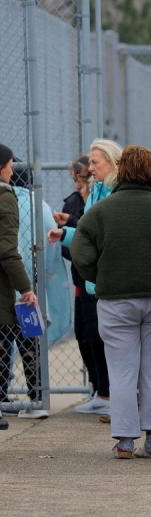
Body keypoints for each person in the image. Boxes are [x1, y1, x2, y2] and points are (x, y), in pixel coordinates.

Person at [71, 146, 151, 458]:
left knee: (122, 370)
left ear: (121, 172)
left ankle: (125, 439)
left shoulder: (101, 211)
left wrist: (102, 275)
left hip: (115, 299)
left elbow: (80, 254)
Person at [51, 138, 123, 418]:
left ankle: (117, 397)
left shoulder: (116, 193)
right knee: (94, 336)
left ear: (112, 162)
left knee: (112, 343)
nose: (90, 167)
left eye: (95, 162)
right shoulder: (97, 192)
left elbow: (106, 237)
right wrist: (65, 233)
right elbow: (87, 233)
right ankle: (105, 393)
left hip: (112, 281)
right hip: (94, 281)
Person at [0, 144, 39, 430]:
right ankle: (36, 396)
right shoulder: (6, 197)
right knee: (20, 339)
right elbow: (7, 250)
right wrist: (25, 287)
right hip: (7, 284)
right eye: (10, 163)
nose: (12, 169)